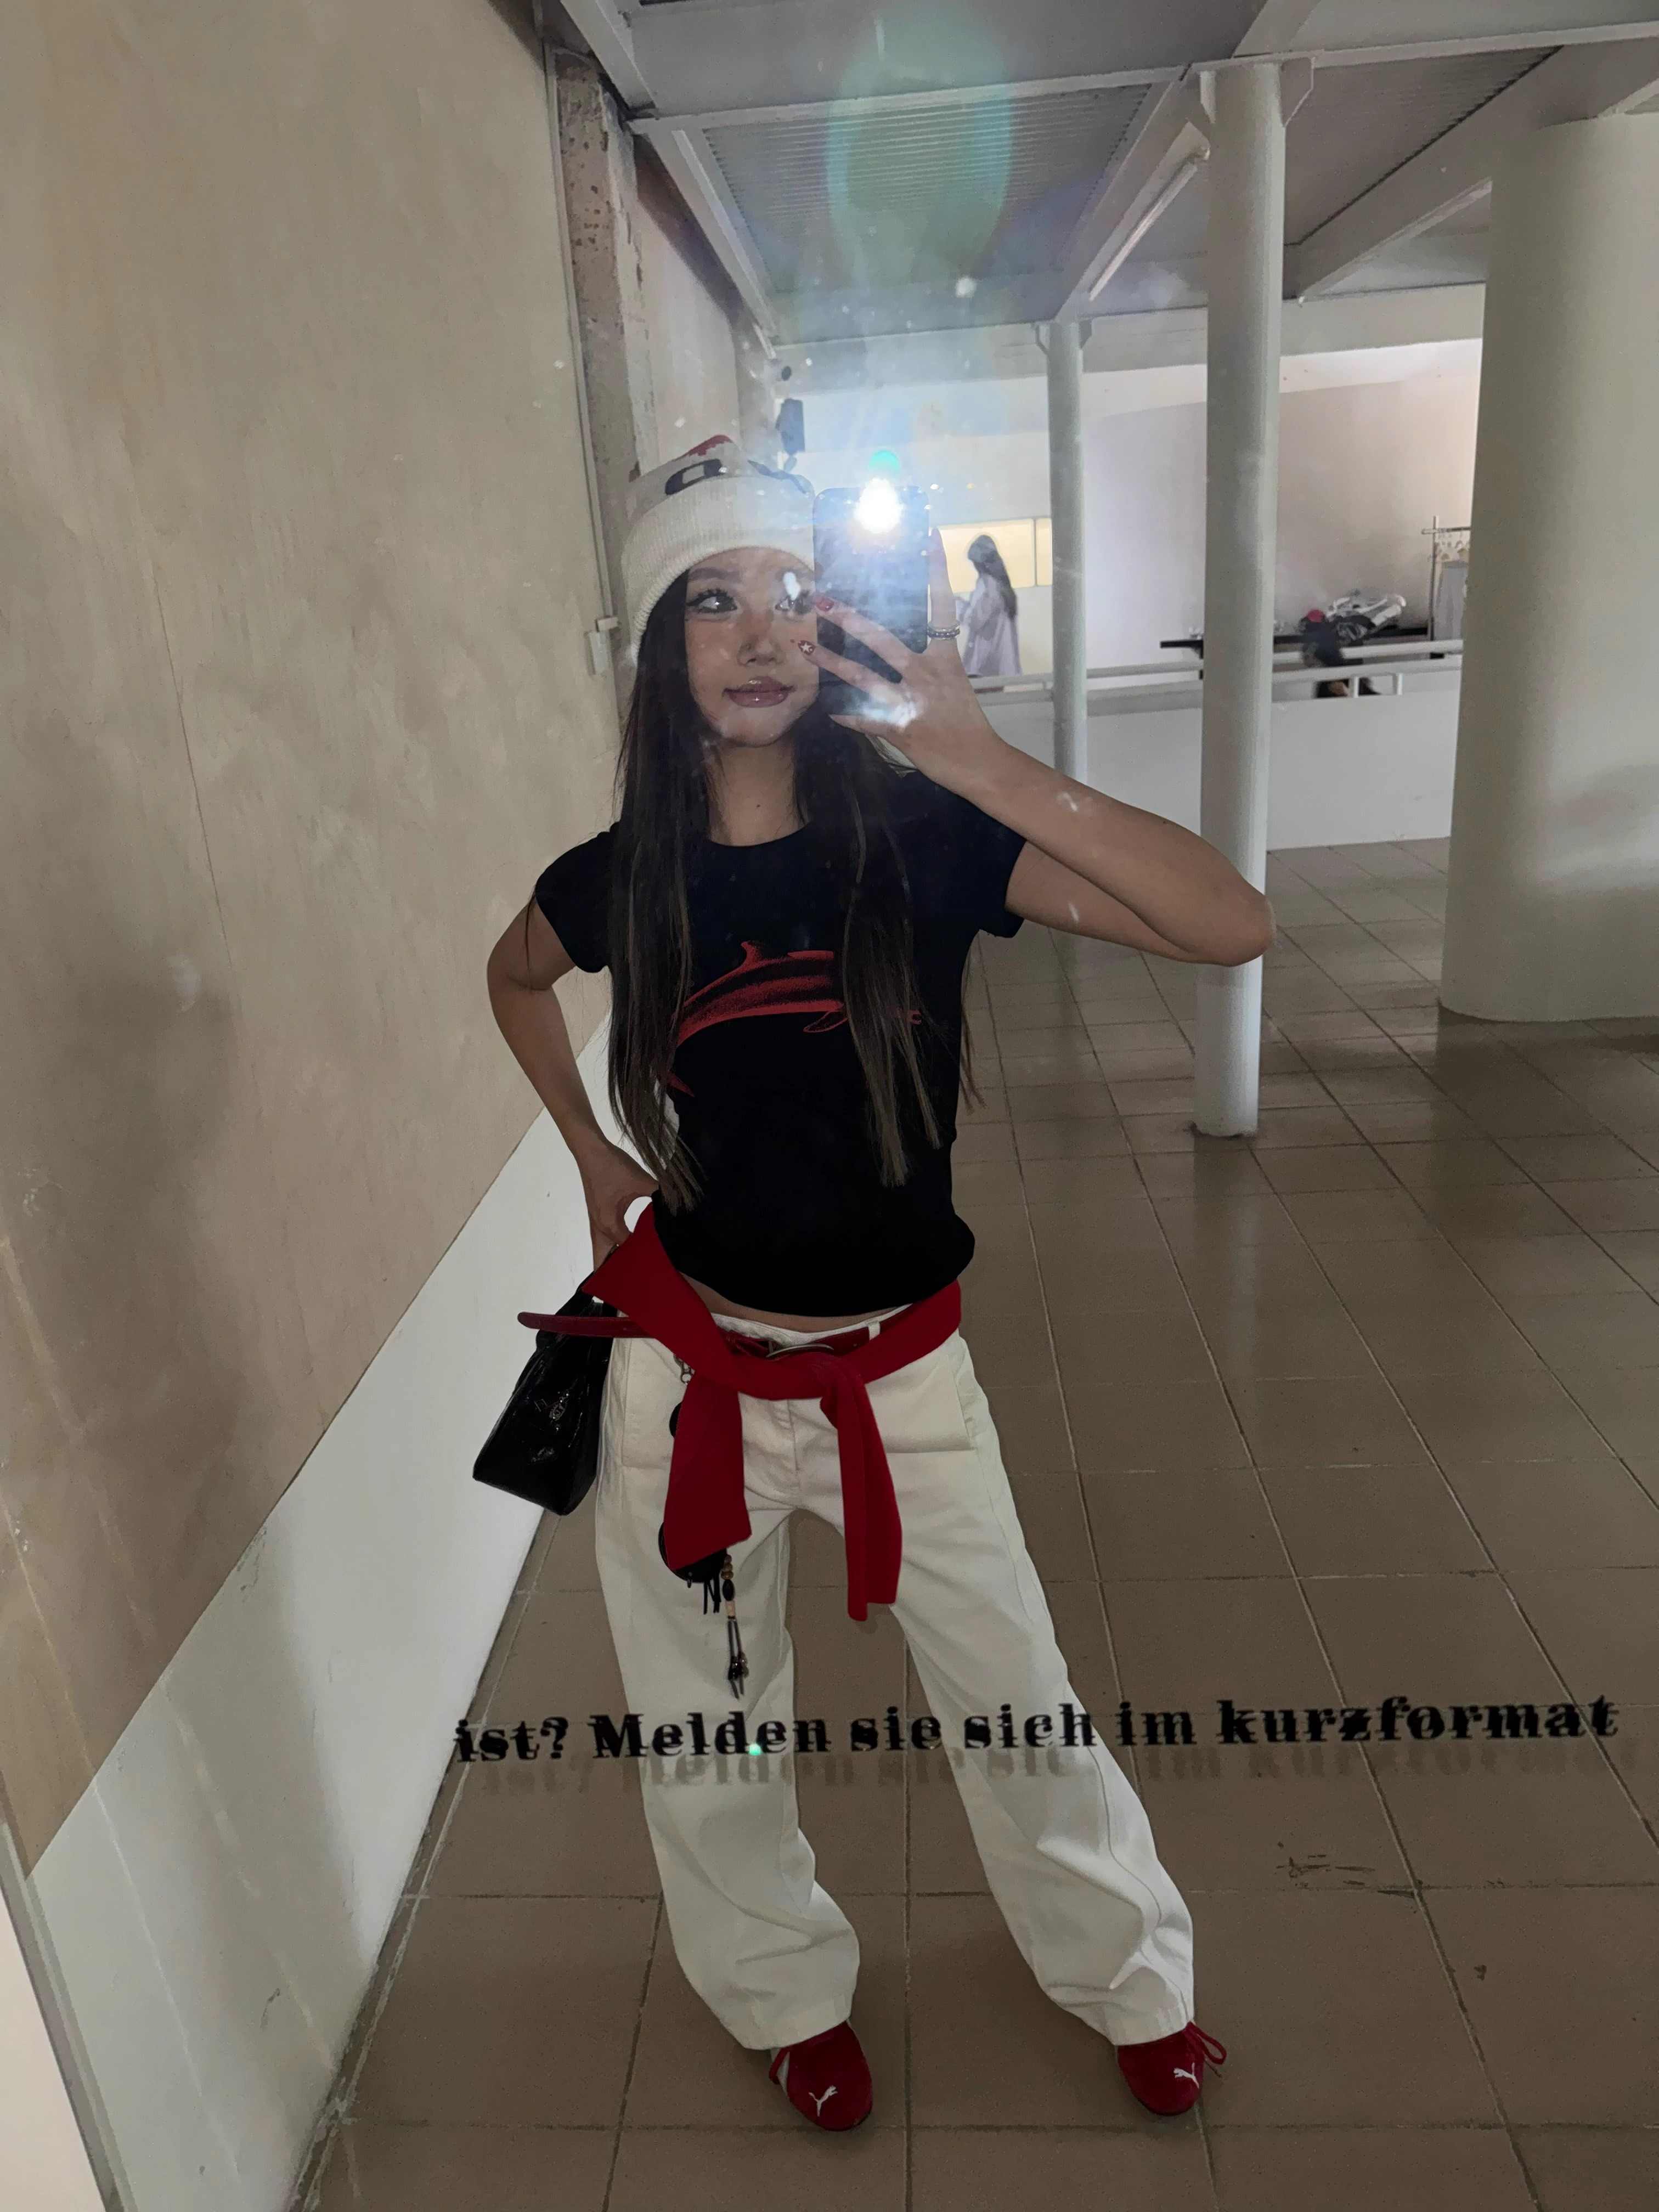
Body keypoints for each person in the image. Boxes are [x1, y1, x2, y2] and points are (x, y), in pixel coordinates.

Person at [486, 436, 1272, 2136]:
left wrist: (985, 762)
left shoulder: (924, 838)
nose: (761, 631)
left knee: (1016, 1697)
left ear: (838, 623)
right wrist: (592, 1153)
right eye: (715, 600)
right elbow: (514, 975)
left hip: (898, 1381)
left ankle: (1131, 1978)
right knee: (709, 1724)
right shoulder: (624, 871)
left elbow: (1229, 926)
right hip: (688, 1381)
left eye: (791, 592)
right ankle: (781, 1993)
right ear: (662, 647)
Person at [958, 532, 1022, 678]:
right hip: (998, 663)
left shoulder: (988, 585)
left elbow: (976, 620)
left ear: (981, 563)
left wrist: (958, 607)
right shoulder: (1003, 586)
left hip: (984, 662)